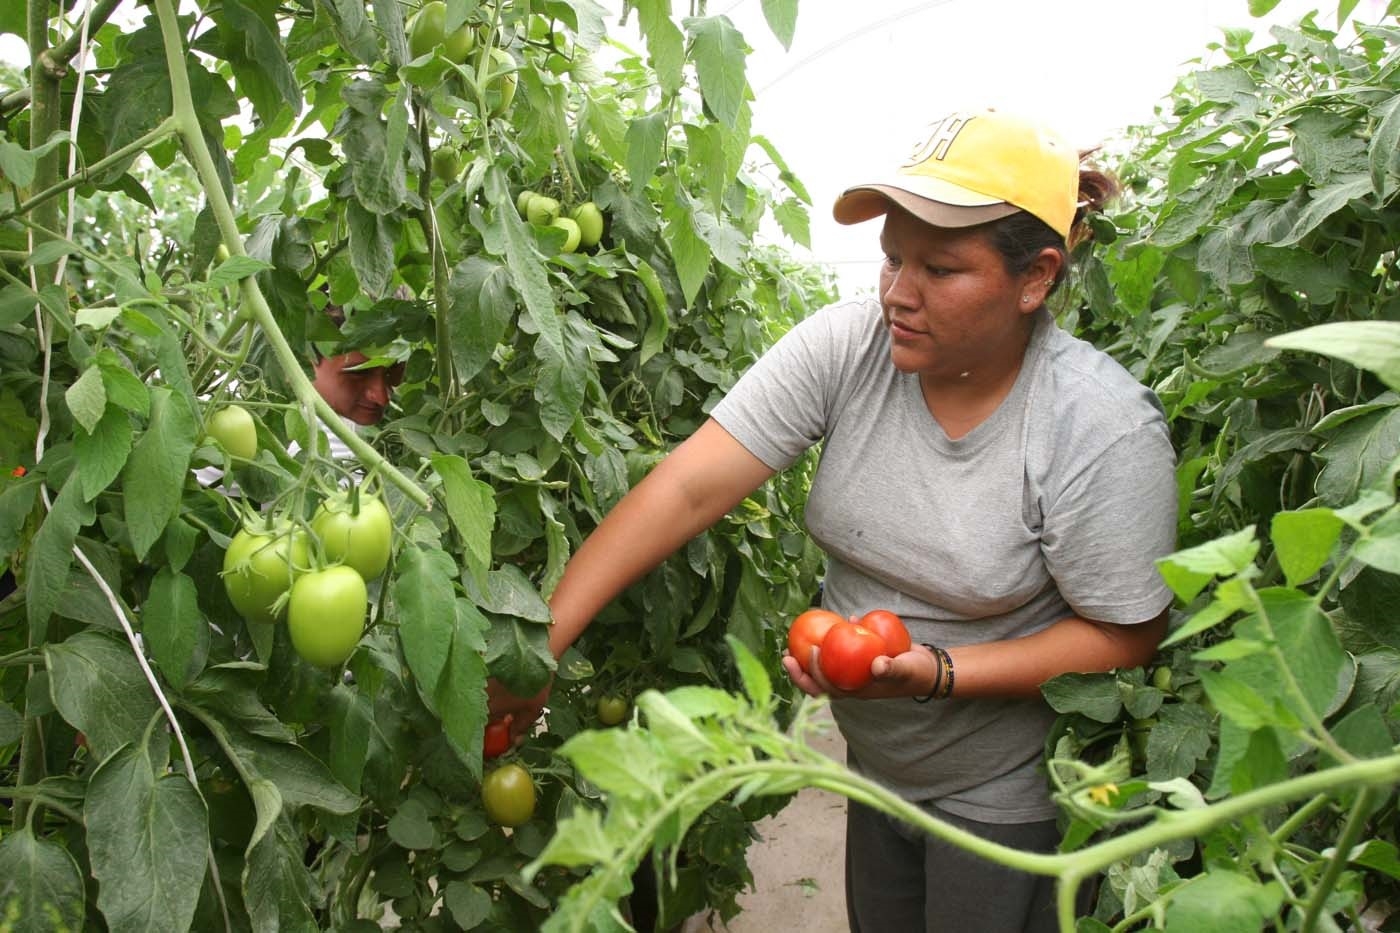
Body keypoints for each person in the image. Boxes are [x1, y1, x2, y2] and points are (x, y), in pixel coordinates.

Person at [490, 107, 1178, 932]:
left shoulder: (1096, 428)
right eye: (892, 259)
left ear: (1035, 277)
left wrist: (937, 669)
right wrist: (545, 643)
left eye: (940, 269)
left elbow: (1127, 634)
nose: (898, 293)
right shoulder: (851, 347)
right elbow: (686, 490)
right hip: (876, 764)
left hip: (1007, 791)